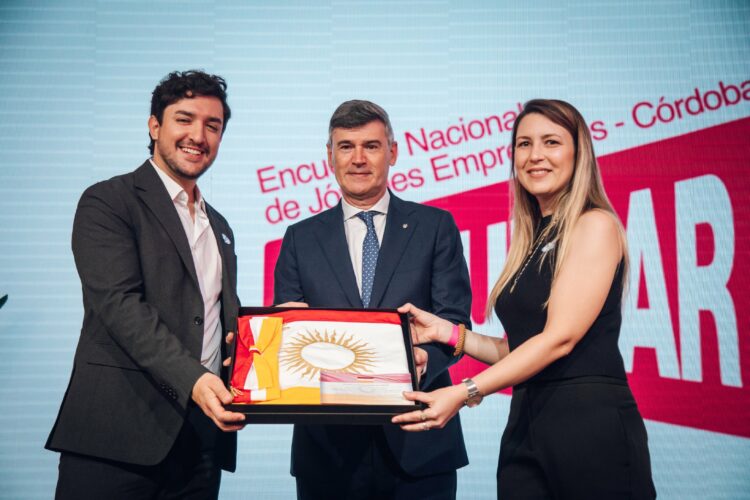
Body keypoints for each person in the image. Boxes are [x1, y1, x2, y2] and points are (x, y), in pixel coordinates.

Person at [393, 99, 656, 499]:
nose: (535, 156)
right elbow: (520, 350)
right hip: (527, 425)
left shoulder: (594, 224)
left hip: (589, 426)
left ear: (578, 153)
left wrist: (464, 393)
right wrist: (449, 333)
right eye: (524, 144)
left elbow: (559, 339)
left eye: (551, 142)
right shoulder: (533, 239)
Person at [46, 70, 246, 500]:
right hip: (116, 436)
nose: (198, 135)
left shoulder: (221, 227)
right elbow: (120, 305)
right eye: (184, 119)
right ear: (154, 126)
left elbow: (217, 319)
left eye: (213, 125)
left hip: (201, 440)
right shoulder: (109, 201)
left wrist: (281, 333)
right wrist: (194, 379)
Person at [274, 100, 472, 499]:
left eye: (372, 146)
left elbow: (452, 320)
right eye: (346, 147)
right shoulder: (300, 237)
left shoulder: (435, 227)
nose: (358, 159)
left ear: (393, 153)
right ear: (329, 157)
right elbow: (288, 324)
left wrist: (423, 363)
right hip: (327, 452)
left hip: (420, 438)